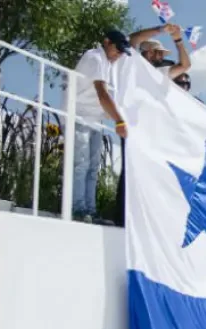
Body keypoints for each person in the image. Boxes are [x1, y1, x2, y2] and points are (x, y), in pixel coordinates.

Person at [70, 29, 131, 223]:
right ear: (107, 42)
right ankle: (77, 209)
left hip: (95, 119)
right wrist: (119, 120)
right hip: (78, 115)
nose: (119, 54)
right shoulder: (95, 58)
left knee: (93, 167)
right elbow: (102, 93)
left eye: (123, 51)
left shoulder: (108, 64)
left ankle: (89, 209)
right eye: (118, 49)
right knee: (81, 165)